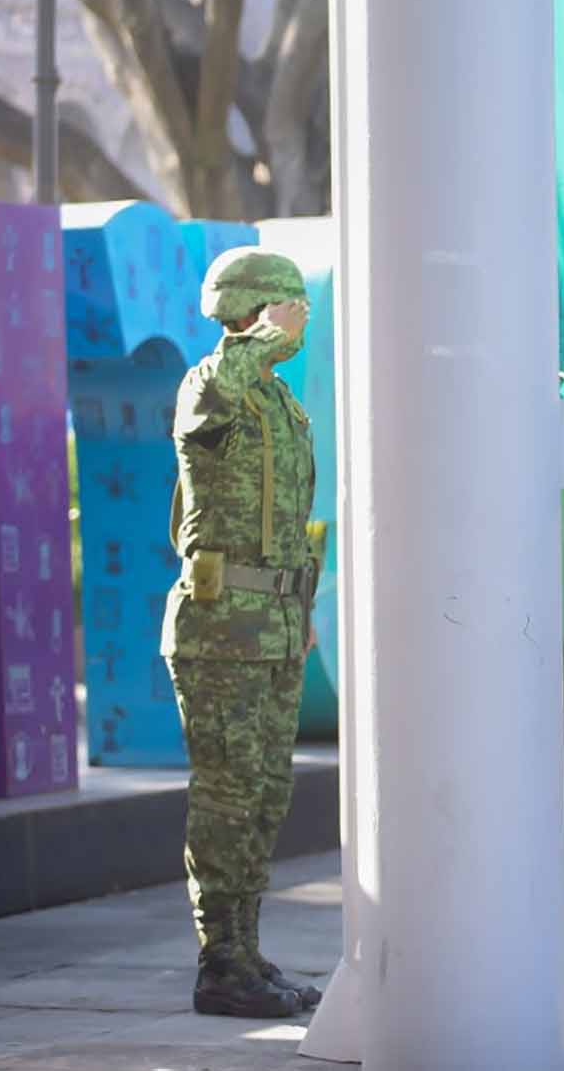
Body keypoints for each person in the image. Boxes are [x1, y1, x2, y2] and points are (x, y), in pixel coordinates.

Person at [162, 249, 320, 1019]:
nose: (300, 322)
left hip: (278, 628)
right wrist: (257, 338)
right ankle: (219, 963)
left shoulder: (279, 401)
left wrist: (304, 612)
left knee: (265, 796)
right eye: (289, 307)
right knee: (227, 798)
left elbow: (290, 523)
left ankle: (247, 952)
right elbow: (216, 393)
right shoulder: (212, 382)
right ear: (254, 309)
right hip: (222, 631)